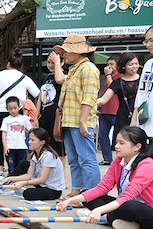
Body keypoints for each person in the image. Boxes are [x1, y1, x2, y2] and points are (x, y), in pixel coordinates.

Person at [57, 126, 153, 229]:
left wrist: (98, 210)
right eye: (116, 142)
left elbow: (128, 197)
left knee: (130, 206)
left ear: (137, 147)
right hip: (122, 203)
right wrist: (70, 200)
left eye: (121, 143)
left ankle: (106, 218)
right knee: (87, 195)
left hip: (151, 211)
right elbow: (101, 188)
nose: (116, 146)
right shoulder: (118, 161)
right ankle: (118, 219)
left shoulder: (147, 165)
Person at [55, 33, 101, 197]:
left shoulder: (88, 69)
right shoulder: (75, 70)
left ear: (79, 51)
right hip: (69, 121)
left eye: (67, 50)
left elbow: (89, 97)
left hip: (80, 121)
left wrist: (83, 121)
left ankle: (91, 194)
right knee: (74, 159)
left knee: (87, 159)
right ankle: (77, 190)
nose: (64, 54)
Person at [0, 49, 40, 182]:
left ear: (8, 63)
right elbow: (39, 94)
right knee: (18, 140)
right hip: (18, 112)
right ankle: (17, 172)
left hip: (1, 111)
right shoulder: (25, 78)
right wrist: (37, 116)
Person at [32, 51, 68, 188]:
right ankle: (44, 176)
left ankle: (63, 178)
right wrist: (36, 117)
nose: (51, 65)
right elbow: (40, 98)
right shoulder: (46, 78)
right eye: (49, 62)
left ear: (61, 62)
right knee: (44, 146)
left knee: (59, 149)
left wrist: (57, 64)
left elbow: (59, 80)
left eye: (53, 62)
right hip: (44, 116)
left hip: (57, 117)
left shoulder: (64, 76)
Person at [132, 23, 153, 170]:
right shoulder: (149, 63)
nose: (148, 44)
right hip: (145, 123)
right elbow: (141, 94)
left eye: (152, 40)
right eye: (146, 41)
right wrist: (134, 121)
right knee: (146, 165)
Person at [1, 128, 65, 201]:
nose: (29, 142)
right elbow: (29, 175)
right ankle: (6, 183)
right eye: (29, 139)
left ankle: (19, 188)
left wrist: (24, 183)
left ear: (42, 142)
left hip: (53, 190)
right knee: (25, 164)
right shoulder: (35, 154)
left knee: (28, 193)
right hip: (41, 185)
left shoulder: (48, 156)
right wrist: (10, 178)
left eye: (33, 140)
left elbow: (42, 179)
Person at [97, 53, 140, 148]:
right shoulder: (118, 82)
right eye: (131, 64)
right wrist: (93, 102)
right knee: (123, 144)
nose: (134, 66)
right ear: (123, 66)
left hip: (141, 115)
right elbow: (104, 98)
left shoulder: (143, 79)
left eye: (136, 63)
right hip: (123, 115)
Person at [0, 96, 33, 174]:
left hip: (22, 147)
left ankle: (20, 182)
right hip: (10, 147)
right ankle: (11, 180)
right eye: (10, 109)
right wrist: (5, 146)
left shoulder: (24, 119)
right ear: (7, 109)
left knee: (21, 166)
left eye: (15, 108)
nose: (13, 110)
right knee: (11, 166)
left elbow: (30, 131)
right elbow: (4, 133)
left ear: (19, 107)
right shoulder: (6, 120)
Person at [98, 56, 121, 165]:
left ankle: (120, 159)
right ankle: (107, 158)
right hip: (104, 110)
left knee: (119, 136)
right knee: (102, 135)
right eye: (108, 64)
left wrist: (107, 75)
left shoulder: (120, 76)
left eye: (112, 64)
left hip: (115, 110)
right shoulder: (110, 76)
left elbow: (113, 87)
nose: (109, 66)